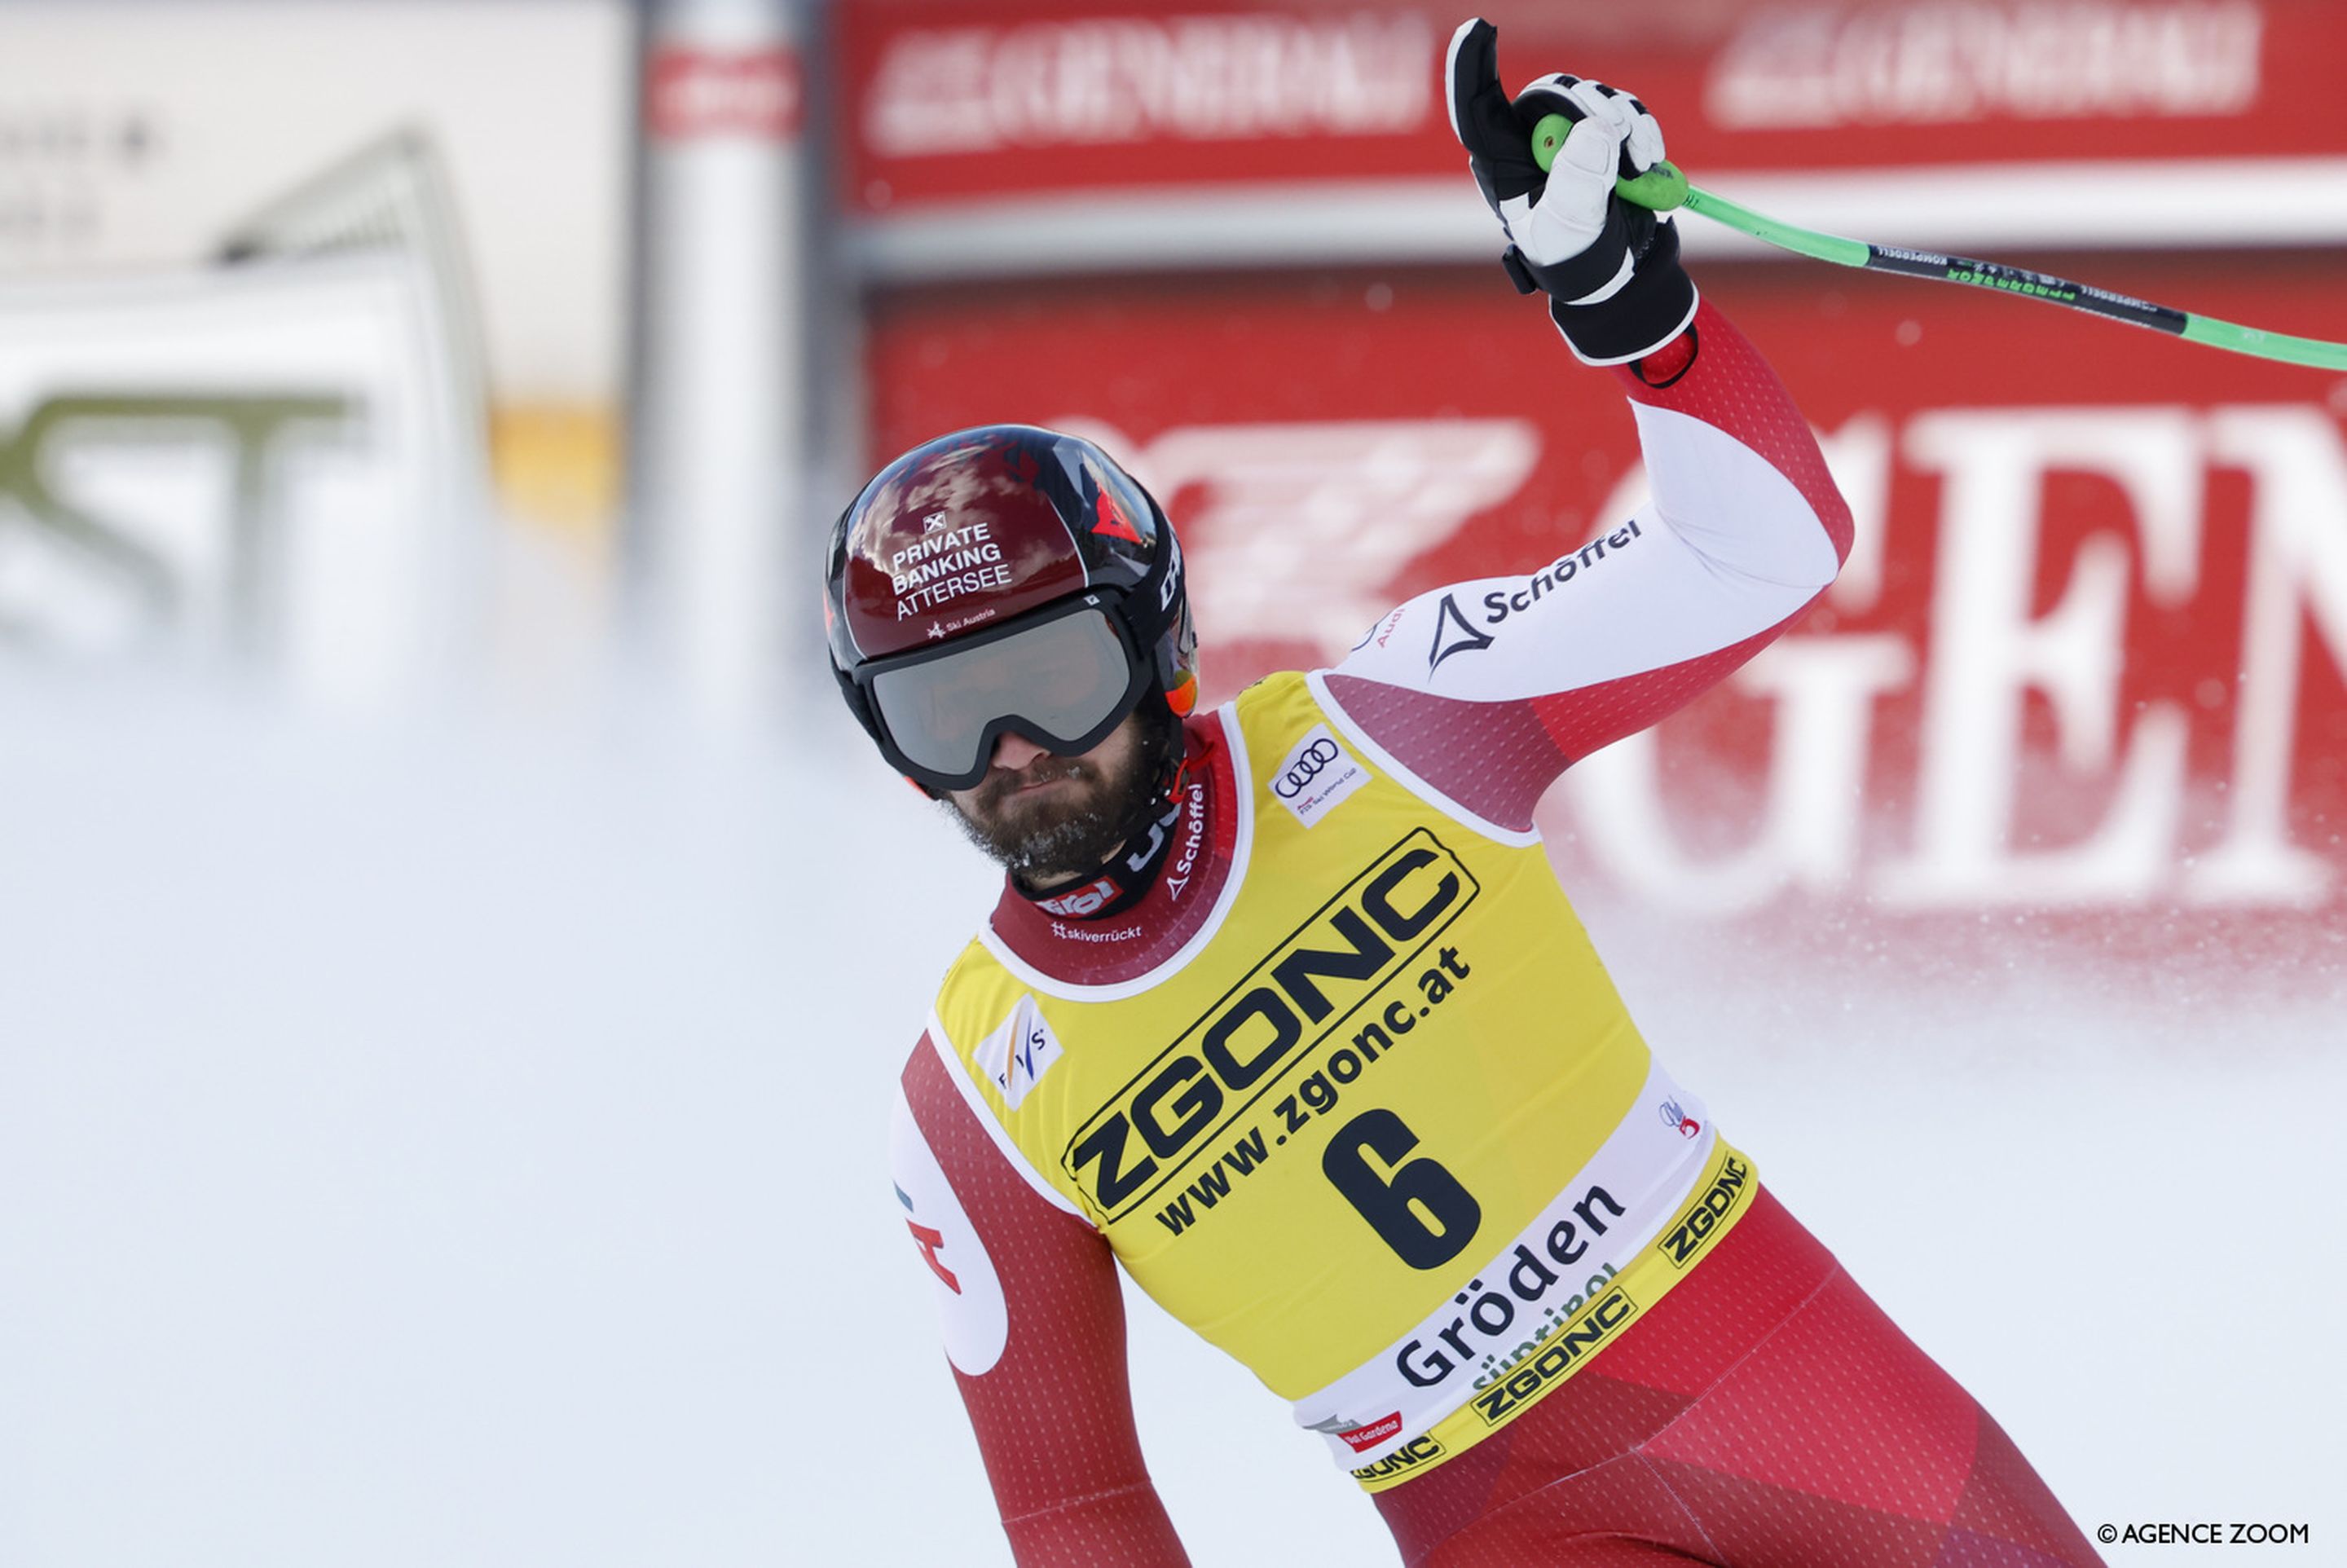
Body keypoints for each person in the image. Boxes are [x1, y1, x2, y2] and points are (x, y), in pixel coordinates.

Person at [836, 21, 2104, 1566]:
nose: (1014, 755)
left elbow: (1760, 551)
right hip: (1501, 1521)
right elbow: (1074, 1506)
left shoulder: (1398, 722)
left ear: (1157, 637)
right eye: (944, 716)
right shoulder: (968, 1105)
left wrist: (1636, 314)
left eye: (1051, 680)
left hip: (1778, 1380)